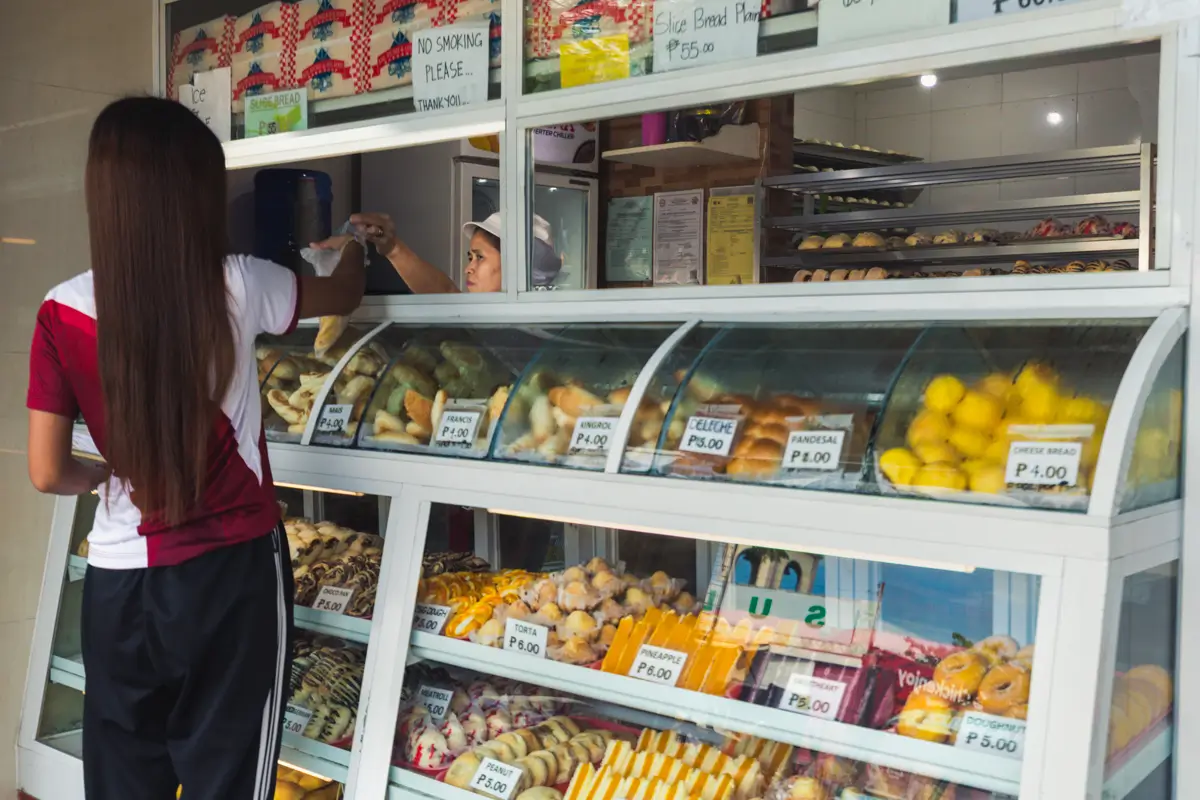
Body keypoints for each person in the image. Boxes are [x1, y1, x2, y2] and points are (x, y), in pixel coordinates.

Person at [25, 97, 365, 800]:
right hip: (233, 577)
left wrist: (102, 477)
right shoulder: (242, 282)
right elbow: (345, 295)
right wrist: (356, 244)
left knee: (124, 780)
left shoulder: (61, 308)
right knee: (227, 778)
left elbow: (45, 469)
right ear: (195, 194)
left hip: (120, 582)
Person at [316, 210, 562, 293]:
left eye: (480, 257)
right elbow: (445, 290)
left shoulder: (538, 327)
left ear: (519, 267)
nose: (469, 267)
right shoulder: (479, 316)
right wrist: (391, 248)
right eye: (470, 257)